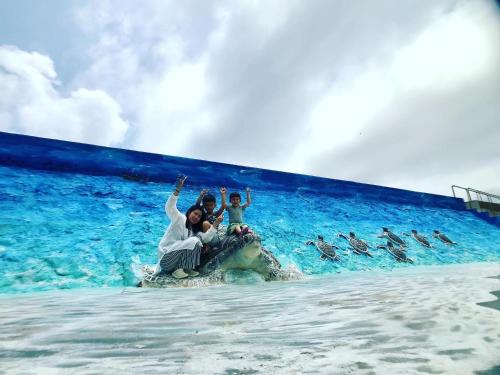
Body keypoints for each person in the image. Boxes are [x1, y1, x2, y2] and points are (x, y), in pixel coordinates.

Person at [154, 175, 223, 279]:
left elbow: (206, 238)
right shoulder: (179, 217)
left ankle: (186, 268)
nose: (196, 217)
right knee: (194, 240)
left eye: (199, 216)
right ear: (190, 212)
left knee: (198, 241)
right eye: (195, 213)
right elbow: (170, 207)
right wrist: (177, 190)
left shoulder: (193, 230)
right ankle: (178, 270)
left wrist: (215, 224)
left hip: (173, 260)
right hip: (166, 259)